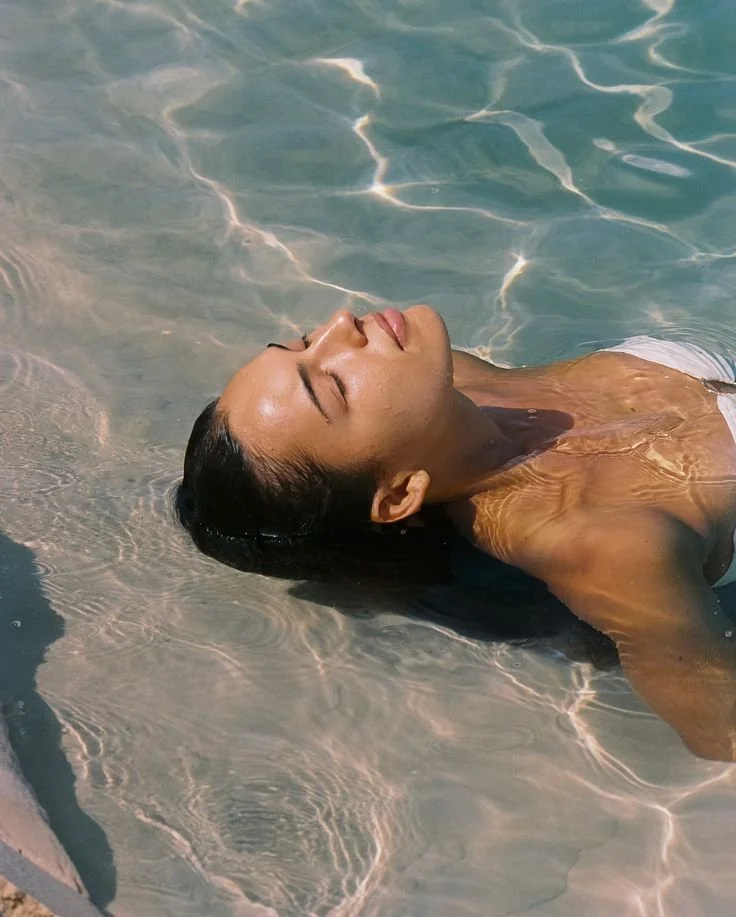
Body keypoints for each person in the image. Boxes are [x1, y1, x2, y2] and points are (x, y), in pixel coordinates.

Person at [176, 305, 736, 761]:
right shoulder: (601, 546)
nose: (340, 324)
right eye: (335, 386)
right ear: (398, 496)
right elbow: (717, 727)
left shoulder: (455, 380)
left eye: (301, 342)